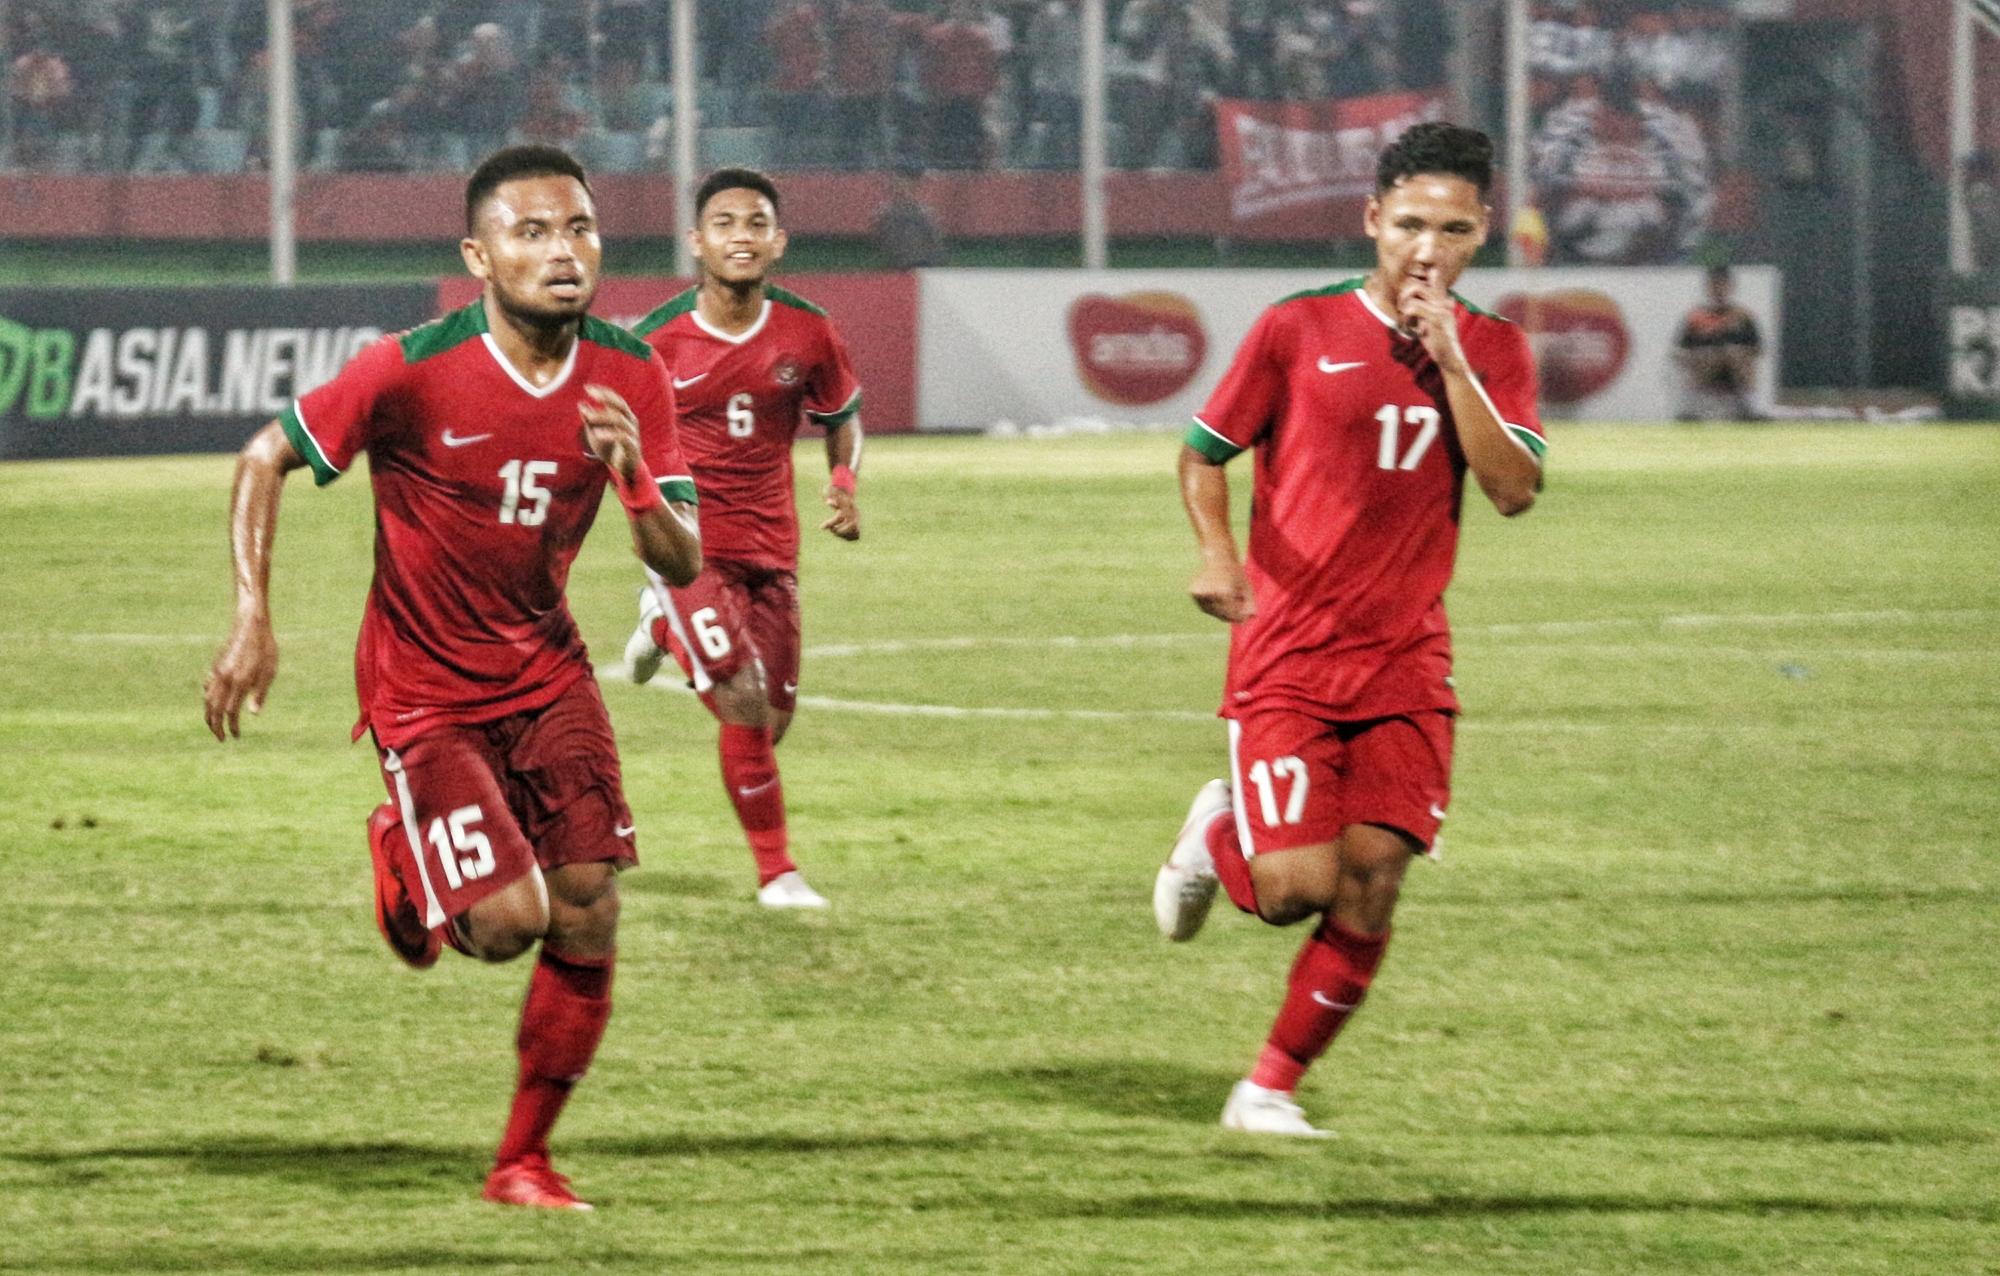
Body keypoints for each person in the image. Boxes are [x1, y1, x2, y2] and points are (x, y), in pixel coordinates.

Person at [202, 145, 703, 1209]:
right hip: (423, 692)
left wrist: (635, 488)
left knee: (590, 907)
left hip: (549, 676)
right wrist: (254, 616)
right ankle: (402, 856)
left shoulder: (631, 371)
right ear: (478, 254)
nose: (563, 251)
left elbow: (682, 562)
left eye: (579, 227)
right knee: (507, 924)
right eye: (531, 232)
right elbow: (263, 457)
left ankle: (522, 1160)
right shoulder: (410, 367)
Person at [1151, 121, 1545, 1135]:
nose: (1427, 248)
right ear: (1372, 220)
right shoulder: (1295, 330)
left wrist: (1451, 361)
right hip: (1285, 655)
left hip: (1406, 662)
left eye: (1451, 230)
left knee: (1370, 886)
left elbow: (1512, 491)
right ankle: (1216, 828)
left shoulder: (1493, 350)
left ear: (1479, 233)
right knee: (1290, 891)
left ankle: (1267, 1088)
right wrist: (1215, 553)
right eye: (1409, 223)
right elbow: (1202, 452)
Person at [622, 168, 864, 909]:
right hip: (688, 545)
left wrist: (845, 485)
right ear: (696, 241)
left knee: (769, 723)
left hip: (772, 549)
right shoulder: (655, 341)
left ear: (778, 241)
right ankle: (777, 874)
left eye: (756, 224)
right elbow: (613, 440)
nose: (741, 237)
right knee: (744, 696)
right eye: (724, 224)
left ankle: (662, 626)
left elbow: (841, 415)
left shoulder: (808, 331)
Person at [1673, 264, 1762, 421]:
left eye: (1723, 284)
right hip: (1705, 370)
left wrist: (1736, 353)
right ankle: (1690, 411)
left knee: (1734, 354)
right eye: (1715, 284)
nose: (1718, 289)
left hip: (1735, 369)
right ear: (1708, 287)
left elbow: (1758, 349)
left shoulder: (1743, 316)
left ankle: (1750, 409)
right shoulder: (1695, 317)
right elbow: (1679, 352)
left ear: (1730, 286)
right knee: (1710, 357)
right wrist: (1701, 357)